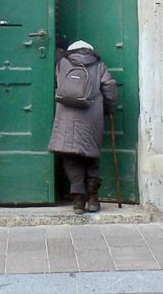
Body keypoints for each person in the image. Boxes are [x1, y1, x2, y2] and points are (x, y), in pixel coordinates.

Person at [48, 40, 118, 214]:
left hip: (67, 114)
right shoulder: (99, 65)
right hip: (91, 113)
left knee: (70, 155)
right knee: (91, 155)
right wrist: (108, 108)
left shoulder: (62, 64)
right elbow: (109, 85)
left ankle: (78, 200)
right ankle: (93, 198)